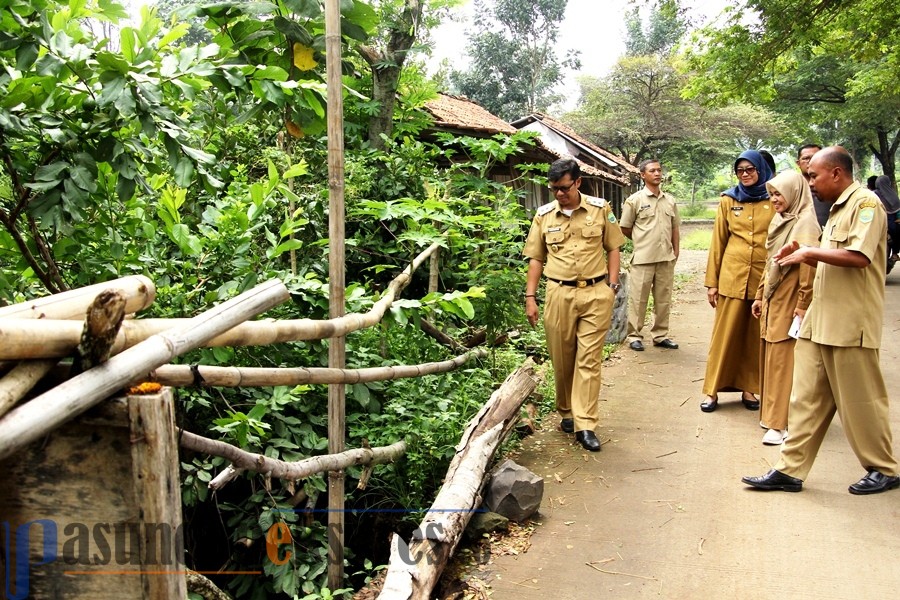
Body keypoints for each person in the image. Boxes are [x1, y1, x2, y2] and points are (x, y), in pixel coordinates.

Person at [742, 146, 899, 495]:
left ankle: (883, 468)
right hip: (820, 319)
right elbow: (832, 260)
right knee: (805, 399)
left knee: (861, 401)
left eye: (814, 175)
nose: (809, 182)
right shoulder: (834, 209)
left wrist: (808, 251)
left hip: (849, 322)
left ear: (837, 174)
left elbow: (857, 256)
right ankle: (789, 469)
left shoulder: (866, 205)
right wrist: (801, 254)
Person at [523, 158, 625, 452]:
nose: (558, 194)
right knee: (563, 357)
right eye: (553, 188)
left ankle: (586, 423)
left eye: (564, 188)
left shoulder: (600, 208)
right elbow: (536, 259)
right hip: (558, 294)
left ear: (578, 182)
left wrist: (612, 285)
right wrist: (531, 297)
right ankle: (566, 410)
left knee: (589, 359)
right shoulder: (543, 216)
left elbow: (613, 246)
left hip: (595, 292)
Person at [700, 149, 774, 413]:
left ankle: (749, 389)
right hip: (732, 276)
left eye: (750, 169)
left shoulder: (775, 199)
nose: (745, 175)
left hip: (763, 279)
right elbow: (718, 243)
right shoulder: (728, 201)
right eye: (740, 171)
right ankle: (711, 391)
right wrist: (712, 283)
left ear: (761, 169)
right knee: (724, 335)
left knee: (755, 337)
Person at [750, 171, 820, 445]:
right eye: (772, 194)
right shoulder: (781, 221)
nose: (774, 199)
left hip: (791, 298)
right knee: (771, 354)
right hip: (773, 296)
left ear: (794, 193)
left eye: (779, 194)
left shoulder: (805, 223)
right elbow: (770, 262)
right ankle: (772, 417)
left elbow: (808, 271)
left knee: (783, 358)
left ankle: (782, 424)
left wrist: (802, 305)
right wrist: (759, 295)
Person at [620, 159, 680, 351]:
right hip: (643, 258)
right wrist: (642, 240)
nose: (657, 174)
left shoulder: (669, 200)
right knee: (639, 299)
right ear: (643, 175)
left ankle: (660, 335)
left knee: (663, 298)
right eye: (652, 171)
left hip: (666, 258)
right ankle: (634, 336)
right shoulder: (634, 201)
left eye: (659, 170)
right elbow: (625, 227)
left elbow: (675, 228)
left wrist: (675, 250)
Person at [796, 144, 829, 227]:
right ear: (798, 163)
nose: (810, 161)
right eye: (806, 158)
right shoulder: (792, 189)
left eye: (815, 157)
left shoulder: (830, 187)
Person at [872, 174, 900, 270]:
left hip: (882, 223)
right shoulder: (894, 195)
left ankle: (894, 255)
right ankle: (895, 254)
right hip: (891, 224)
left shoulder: (874, 194)